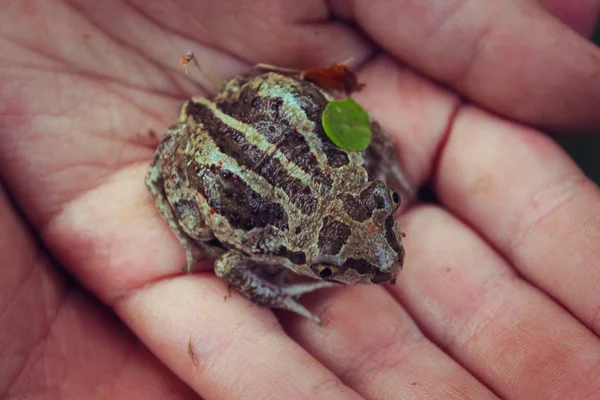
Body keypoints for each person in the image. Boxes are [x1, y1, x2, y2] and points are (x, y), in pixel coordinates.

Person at [1, 1, 599, 398]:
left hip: (257, 112)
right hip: (210, 153)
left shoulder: (351, 172)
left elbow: (358, 127)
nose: (388, 262)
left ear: (371, 196)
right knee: (193, 212)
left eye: (383, 210)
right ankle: (176, 192)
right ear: (312, 262)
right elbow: (232, 262)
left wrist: (382, 154)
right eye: (335, 270)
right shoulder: (274, 242)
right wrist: (279, 289)